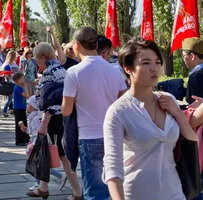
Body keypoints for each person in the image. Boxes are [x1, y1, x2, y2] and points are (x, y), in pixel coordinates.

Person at [103, 38, 197, 200]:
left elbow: (191, 140)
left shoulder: (168, 100)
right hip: (137, 193)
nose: (154, 68)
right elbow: (112, 166)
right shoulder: (118, 111)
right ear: (128, 68)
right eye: (146, 63)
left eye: (157, 62)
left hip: (174, 192)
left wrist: (177, 113)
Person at [61, 27, 127, 200]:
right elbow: (124, 104)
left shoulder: (74, 72)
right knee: (115, 188)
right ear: (96, 44)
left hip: (89, 136)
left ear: (76, 45)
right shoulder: (114, 71)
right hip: (115, 135)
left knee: (95, 192)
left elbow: (66, 110)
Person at [28, 43, 82, 199]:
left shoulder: (49, 73)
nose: (36, 62)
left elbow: (50, 100)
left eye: (37, 59)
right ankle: (43, 188)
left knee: (63, 156)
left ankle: (77, 191)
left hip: (53, 120)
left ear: (43, 58)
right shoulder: (60, 69)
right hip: (60, 118)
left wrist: (44, 123)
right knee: (47, 152)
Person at [22, 96, 65, 192]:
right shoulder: (32, 117)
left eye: (28, 104)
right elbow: (32, 131)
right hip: (33, 141)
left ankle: (39, 184)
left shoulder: (36, 118)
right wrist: (25, 129)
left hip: (36, 142)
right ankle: (59, 176)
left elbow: (39, 132)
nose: (26, 106)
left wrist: (35, 143)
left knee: (37, 164)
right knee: (39, 164)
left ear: (33, 106)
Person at [182, 37, 203, 104]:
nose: (183, 59)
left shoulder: (196, 76)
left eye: (184, 56)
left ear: (192, 56)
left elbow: (194, 106)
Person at [12, 72, 30, 146]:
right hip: (19, 108)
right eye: (22, 78)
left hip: (21, 108)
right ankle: (20, 139)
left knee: (23, 123)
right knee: (20, 124)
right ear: (18, 80)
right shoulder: (18, 88)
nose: (24, 79)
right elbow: (27, 95)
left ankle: (25, 138)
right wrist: (25, 87)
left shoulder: (19, 87)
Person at [2, 51, 20, 117]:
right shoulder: (7, 65)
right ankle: (4, 111)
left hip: (15, 82)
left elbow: (19, 71)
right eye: (15, 56)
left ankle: (15, 110)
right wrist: (9, 73)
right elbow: (5, 76)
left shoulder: (14, 64)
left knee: (14, 98)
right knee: (9, 99)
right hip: (9, 83)